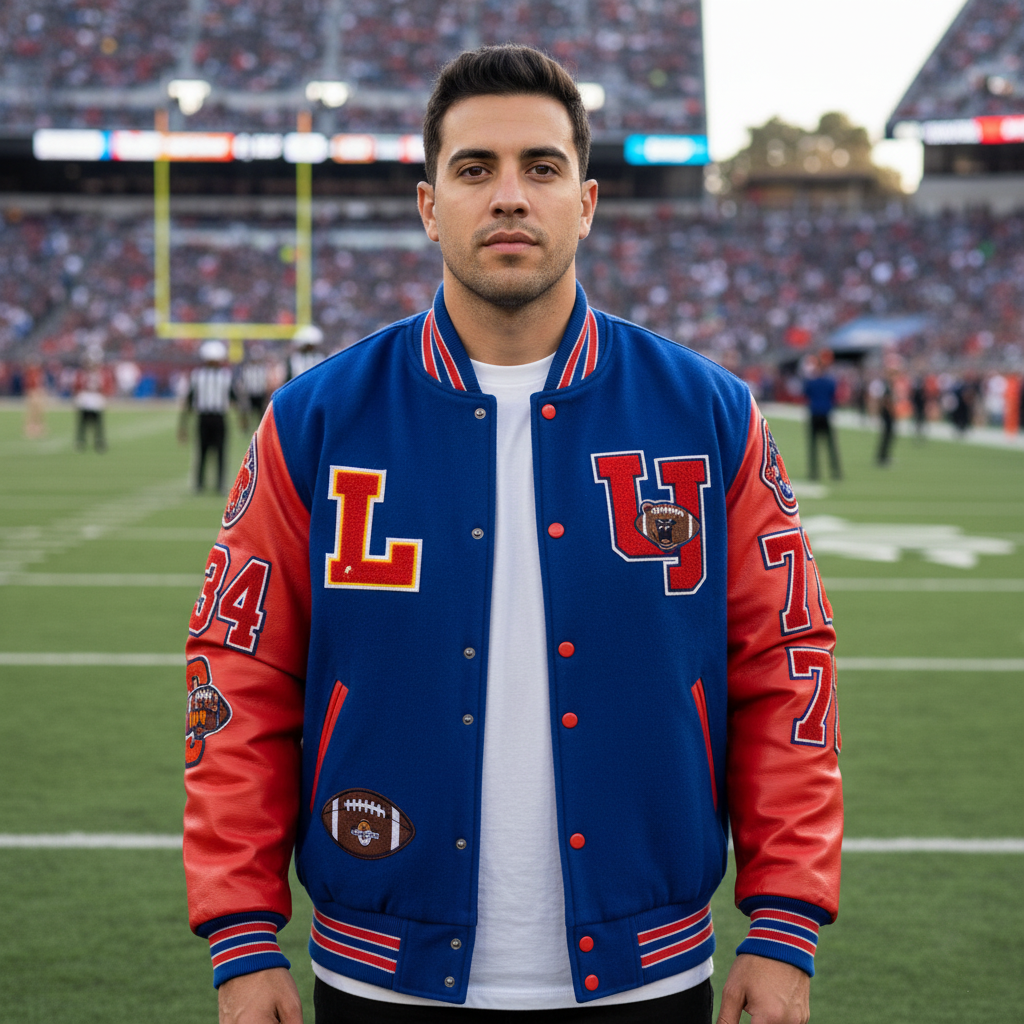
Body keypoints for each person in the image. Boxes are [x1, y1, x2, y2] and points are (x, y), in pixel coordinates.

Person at [184, 46, 841, 1024]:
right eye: (473, 169)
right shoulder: (314, 420)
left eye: (540, 167)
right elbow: (236, 673)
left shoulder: (708, 415)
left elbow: (786, 663)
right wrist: (241, 936)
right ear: (427, 204)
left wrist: (785, 919)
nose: (507, 197)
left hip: (647, 972)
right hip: (378, 971)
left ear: (584, 201)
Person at [179, 339, 236, 493]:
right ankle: (199, 483)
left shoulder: (226, 376)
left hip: (219, 417)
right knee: (202, 451)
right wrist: (183, 424)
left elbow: (234, 397)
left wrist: (243, 416)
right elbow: (189, 400)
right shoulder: (197, 376)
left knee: (221, 452)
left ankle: (220, 483)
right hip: (204, 416)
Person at [802, 351, 841, 480]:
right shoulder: (830, 381)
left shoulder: (811, 382)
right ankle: (836, 471)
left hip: (814, 414)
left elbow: (806, 393)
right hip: (826, 414)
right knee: (831, 445)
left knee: (813, 445)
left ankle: (814, 472)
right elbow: (833, 395)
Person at [73, 346, 112, 452]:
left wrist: (104, 396)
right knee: (83, 421)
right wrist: (78, 396)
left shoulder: (101, 373)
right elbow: (77, 386)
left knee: (98, 421)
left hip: (96, 397)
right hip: (86, 396)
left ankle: (99, 441)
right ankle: (81, 441)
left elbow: (106, 385)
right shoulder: (82, 373)